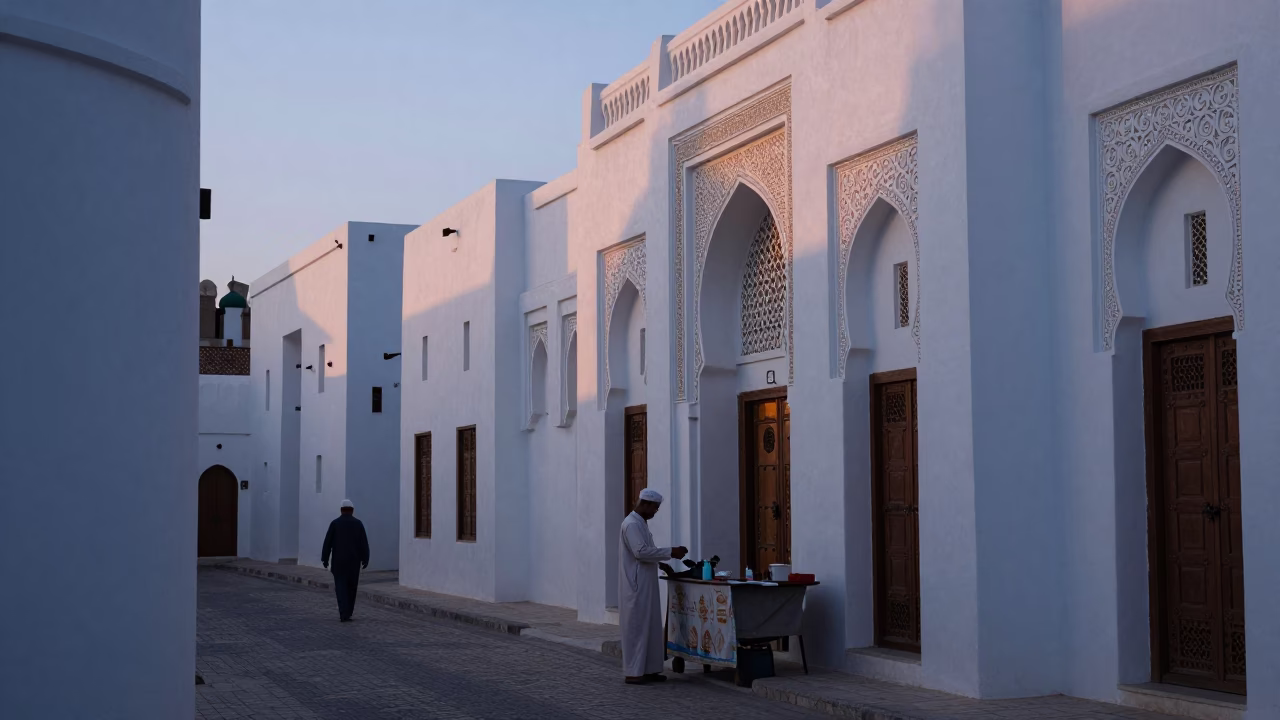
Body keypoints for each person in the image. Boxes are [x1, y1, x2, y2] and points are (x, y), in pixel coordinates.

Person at [619, 488, 687, 685]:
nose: (655, 512)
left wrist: (663, 564)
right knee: (638, 627)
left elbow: (647, 551)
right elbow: (640, 552)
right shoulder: (631, 524)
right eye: (655, 509)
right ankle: (634, 671)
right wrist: (671, 552)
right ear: (645, 504)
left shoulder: (640, 524)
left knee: (651, 626)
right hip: (636, 585)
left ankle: (649, 669)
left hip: (646, 582)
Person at [321, 499, 370, 622]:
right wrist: (365, 558)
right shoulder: (358, 524)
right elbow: (364, 543)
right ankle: (348, 612)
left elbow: (327, 543)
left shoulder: (335, 524)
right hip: (354, 562)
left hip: (338, 562)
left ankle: (343, 612)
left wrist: (325, 558)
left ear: (341, 510)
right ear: (352, 510)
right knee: (352, 587)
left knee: (340, 587)